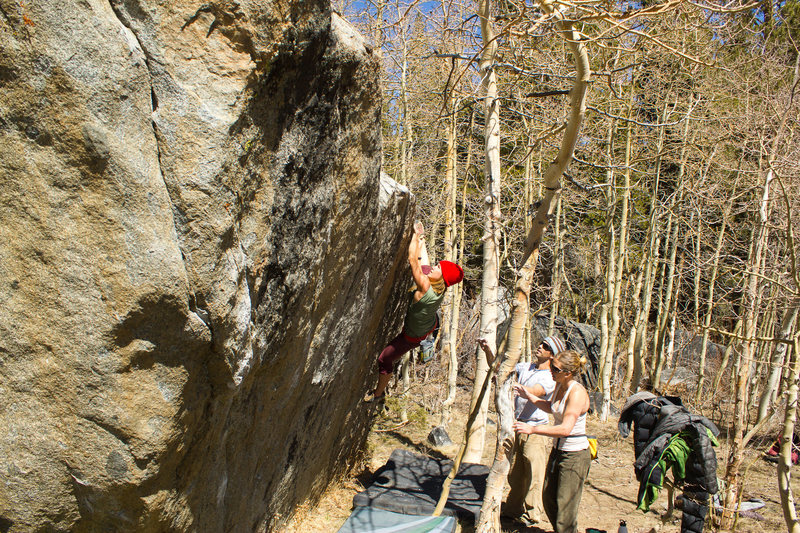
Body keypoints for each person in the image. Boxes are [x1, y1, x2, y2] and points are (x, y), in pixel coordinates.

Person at [365, 222, 463, 402]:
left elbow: (413, 260)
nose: (434, 267)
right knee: (424, 272)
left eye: (438, 268)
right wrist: (421, 238)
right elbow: (424, 265)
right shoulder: (439, 285)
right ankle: (429, 337)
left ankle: (377, 395)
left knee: (384, 359)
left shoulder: (426, 286)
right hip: (430, 322)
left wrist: (413, 238)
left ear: (442, 277)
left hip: (414, 336)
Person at [512, 350, 591, 533]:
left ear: (567, 372)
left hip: (575, 455)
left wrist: (533, 429)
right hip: (558, 451)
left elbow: (565, 428)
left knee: (565, 508)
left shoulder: (576, 392)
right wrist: (529, 396)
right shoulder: (559, 385)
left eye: (555, 368)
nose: (551, 371)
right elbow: (552, 407)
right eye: (551, 366)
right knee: (548, 498)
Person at [503, 335, 565, 527]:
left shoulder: (549, 377)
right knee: (516, 472)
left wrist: (515, 386)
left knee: (534, 472)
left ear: (552, 354)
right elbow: (504, 368)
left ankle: (533, 514)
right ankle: (512, 509)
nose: (540, 347)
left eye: (545, 346)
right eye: (541, 343)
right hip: (517, 425)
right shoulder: (525, 367)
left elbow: (536, 391)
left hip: (535, 429)